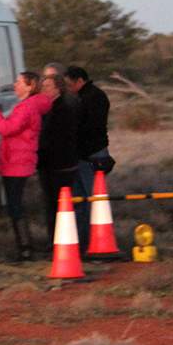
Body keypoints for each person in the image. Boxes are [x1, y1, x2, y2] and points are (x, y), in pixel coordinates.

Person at [0, 72, 52, 260]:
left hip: (16, 162)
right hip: (19, 161)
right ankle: (25, 247)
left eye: (18, 81)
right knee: (16, 204)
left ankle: (25, 249)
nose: (14, 84)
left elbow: (6, 128)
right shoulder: (31, 106)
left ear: (29, 87)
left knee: (15, 205)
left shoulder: (25, 108)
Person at [36, 71, 82, 250]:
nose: (44, 90)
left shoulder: (62, 109)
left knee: (59, 205)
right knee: (50, 205)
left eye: (48, 86)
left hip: (60, 166)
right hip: (49, 165)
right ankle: (55, 240)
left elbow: (57, 139)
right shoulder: (47, 108)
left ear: (58, 88)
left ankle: (62, 241)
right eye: (43, 86)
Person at [66, 65, 112, 241]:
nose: (69, 89)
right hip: (81, 155)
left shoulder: (94, 97)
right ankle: (82, 240)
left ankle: (98, 240)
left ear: (79, 81)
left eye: (70, 84)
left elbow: (92, 126)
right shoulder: (82, 96)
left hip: (92, 153)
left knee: (93, 200)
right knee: (80, 201)